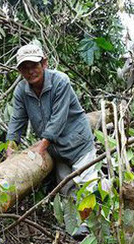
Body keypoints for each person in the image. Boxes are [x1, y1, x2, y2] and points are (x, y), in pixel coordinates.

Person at [6, 43, 98, 196]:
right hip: (56, 150)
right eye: (25, 68)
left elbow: (58, 118)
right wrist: (10, 146)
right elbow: (17, 120)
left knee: (89, 190)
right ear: (20, 71)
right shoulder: (21, 91)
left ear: (44, 63)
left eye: (34, 65)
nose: (31, 72)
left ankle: (96, 218)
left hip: (79, 145)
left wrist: (41, 148)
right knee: (67, 192)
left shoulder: (60, 81)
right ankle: (73, 221)